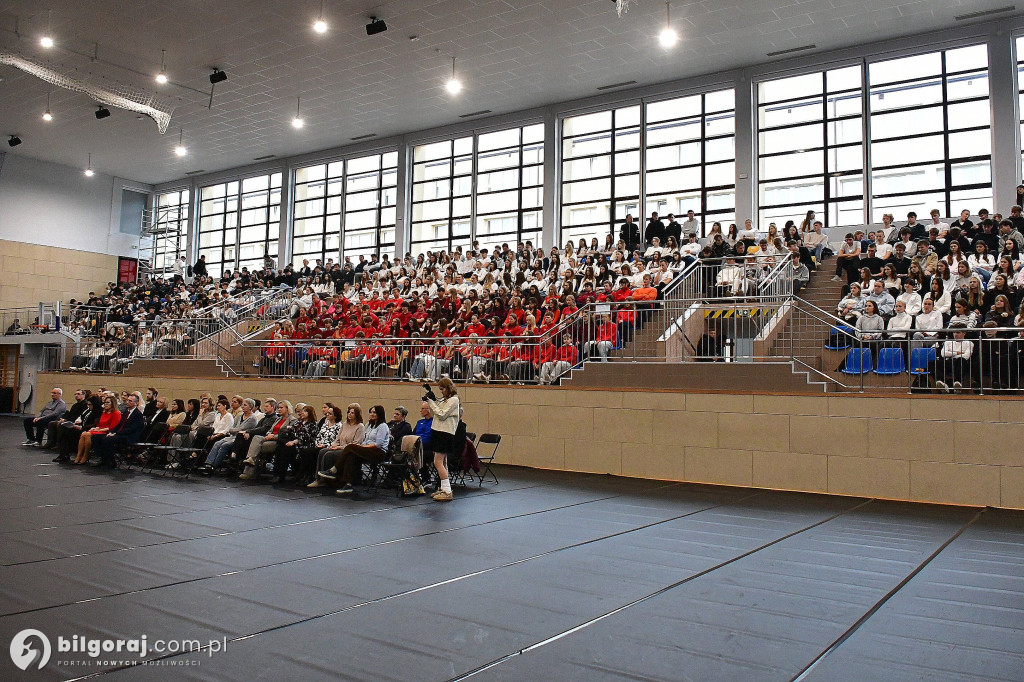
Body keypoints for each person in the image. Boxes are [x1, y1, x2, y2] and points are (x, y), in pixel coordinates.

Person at [316, 404, 390, 495]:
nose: (372, 414)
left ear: (380, 414)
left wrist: (362, 447)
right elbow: (365, 440)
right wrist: (362, 447)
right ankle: (347, 484)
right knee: (351, 455)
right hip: (366, 449)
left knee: (350, 447)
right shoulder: (370, 425)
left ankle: (334, 469)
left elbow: (378, 444)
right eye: (371, 412)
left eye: (374, 412)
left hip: (378, 452)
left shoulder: (383, 426)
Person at [425, 378, 461, 502]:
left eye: (442, 389)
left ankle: (447, 491)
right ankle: (444, 487)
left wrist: (431, 402)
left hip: (444, 433)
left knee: (437, 462)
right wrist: (433, 400)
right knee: (443, 462)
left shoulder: (454, 400)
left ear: (448, 388)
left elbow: (441, 414)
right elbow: (435, 412)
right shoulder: (446, 400)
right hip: (438, 431)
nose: (441, 392)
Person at [91, 393, 144, 468]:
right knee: (96, 437)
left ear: (136, 403)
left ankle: (111, 461)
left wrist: (116, 433)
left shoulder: (138, 415)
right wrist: (112, 432)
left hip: (129, 436)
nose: (127, 402)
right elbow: (119, 425)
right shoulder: (126, 412)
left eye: (130, 401)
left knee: (107, 439)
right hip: (120, 434)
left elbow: (131, 429)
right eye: (128, 400)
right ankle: (102, 458)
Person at [74, 395, 120, 465]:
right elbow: (100, 424)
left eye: (108, 403)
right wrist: (96, 428)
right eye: (105, 403)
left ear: (113, 403)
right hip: (100, 430)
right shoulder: (104, 412)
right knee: (84, 433)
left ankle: (85, 456)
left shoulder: (116, 413)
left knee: (87, 434)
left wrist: (99, 430)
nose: (105, 404)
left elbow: (112, 427)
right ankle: (79, 455)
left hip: (107, 431)